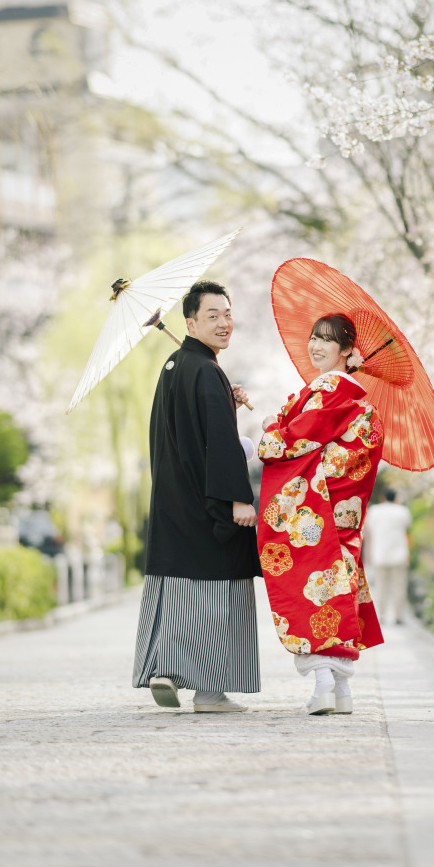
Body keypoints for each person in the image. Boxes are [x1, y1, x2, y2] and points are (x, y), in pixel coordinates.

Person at [132, 279, 261, 713]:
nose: (225, 323)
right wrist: (239, 499)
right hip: (207, 503)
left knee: (178, 592)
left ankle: (167, 666)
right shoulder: (206, 370)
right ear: (190, 322)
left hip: (174, 502)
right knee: (215, 592)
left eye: (227, 314)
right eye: (212, 316)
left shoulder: (176, 365)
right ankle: (209, 692)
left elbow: (188, 433)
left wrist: (228, 402)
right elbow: (219, 443)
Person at [256, 313, 384, 716]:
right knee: (340, 586)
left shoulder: (330, 386)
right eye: (313, 337)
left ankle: (324, 684)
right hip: (344, 515)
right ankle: (342, 693)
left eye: (327, 341)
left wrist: (270, 433)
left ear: (348, 350)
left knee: (314, 587)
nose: (315, 346)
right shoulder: (357, 395)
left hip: (321, 511)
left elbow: (295, 439)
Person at [363, 488, 412, 625]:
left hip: (379, 554)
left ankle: (382, 615)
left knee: (381, 586)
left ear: (383, 497)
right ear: (396, 497)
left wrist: (367, 555)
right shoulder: (402, 511)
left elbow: (369, 533)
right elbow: (408, 525)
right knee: (399, 585)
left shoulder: (375, 511)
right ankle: (398, 616)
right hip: (399, 554)